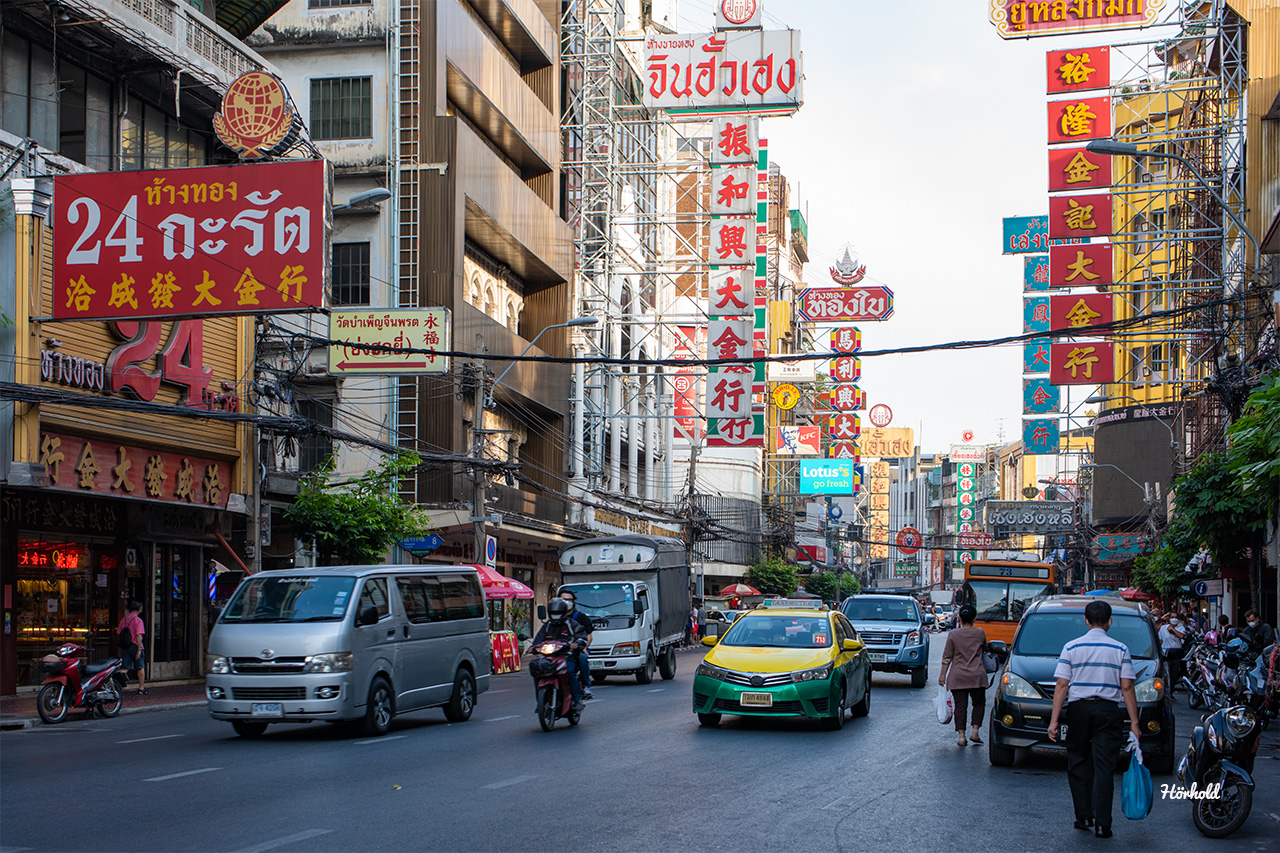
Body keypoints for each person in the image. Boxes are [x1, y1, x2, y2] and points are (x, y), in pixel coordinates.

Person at [1047, 600, 1141, 839]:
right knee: (1104, 768)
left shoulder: (1071, 647)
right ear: (1110, 622)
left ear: (1085, 621)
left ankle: (1083, 816)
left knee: (1078, 762)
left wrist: (1054, 721)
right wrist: (1135, 724)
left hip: (1079, 710)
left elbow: (1061, 685)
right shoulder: (1120, 649)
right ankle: (1103, 824)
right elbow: (1128, 687)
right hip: (1108, 712)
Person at [938, 604, 989, 746]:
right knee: (978, 704)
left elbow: (947, 657)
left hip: (958, 676)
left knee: (960, 706)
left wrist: (942, 675)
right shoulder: (980, 633)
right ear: (974, 618)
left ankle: (961, 737)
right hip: (977, 676)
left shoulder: (953, 634)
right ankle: (975, 732)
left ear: (959, 617)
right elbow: (985, 649)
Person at [530, 598, 587, 710]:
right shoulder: (547, 626)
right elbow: (538, 640)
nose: (555, 616)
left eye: (558, 613)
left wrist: (576, 644)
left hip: (567, 656)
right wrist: (533, 648)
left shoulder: (571, 624)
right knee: (537, 670)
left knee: (570, 672)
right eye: (553, 614)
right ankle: (540, 703)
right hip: (549, 657)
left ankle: (576, 699)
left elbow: (582, 637)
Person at [559, 589, 595, 700]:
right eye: (563, 600)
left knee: (582, 658)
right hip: (559, 649)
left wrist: (582, 647)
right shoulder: (555, 616)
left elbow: (589, 636)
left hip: (576, 649)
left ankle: (585, 686)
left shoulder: (580, 617)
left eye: (569, 600)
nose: (566, 602)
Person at [116, 600, 149, 695]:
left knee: (124, 666)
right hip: (135, 644)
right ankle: (141, 688)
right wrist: (139, 649)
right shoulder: (138, 620)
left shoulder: (124, 619)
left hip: (125, 645)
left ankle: (118, 687)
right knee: (140, 667)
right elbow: (138, 635)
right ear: (139, 609)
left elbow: (119, 633)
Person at [1157, 613, 1186, 692]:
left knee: (1174, 674)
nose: (1174, 619)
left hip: (1176, 653)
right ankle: (1166, 691)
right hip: (1166, 653)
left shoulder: (1181, 628)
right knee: (1167, 673)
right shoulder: (1163, 628)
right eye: (1172, 617)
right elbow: (1160, 640)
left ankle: (1171, 690)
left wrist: (1173, 629)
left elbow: (1181, 636)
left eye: (1176, 617)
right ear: (1169, 619)